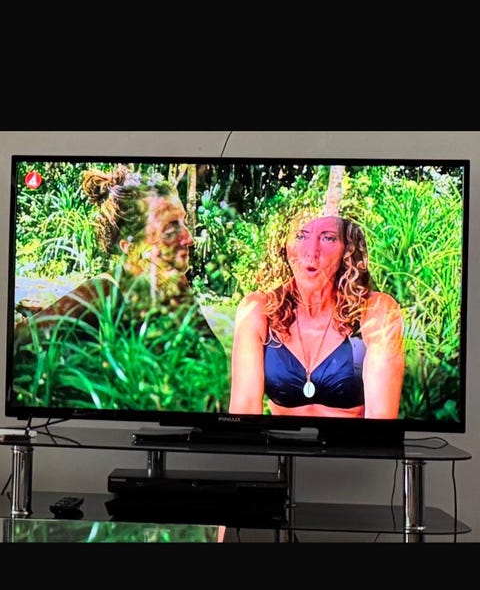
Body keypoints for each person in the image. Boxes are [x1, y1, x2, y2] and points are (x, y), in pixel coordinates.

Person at [15, 165, 229, 411]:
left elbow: (215, 373)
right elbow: (18, 344)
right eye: (171, 228)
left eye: (184, 222)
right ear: (130, 246)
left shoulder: (173, 289)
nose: (189, 238)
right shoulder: (103, 291)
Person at [229, 211, 405, 419]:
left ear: (346, 248)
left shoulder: (376, 311)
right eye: (300, 236)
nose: (311, 252)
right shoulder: (258, 310)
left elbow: (380, 420)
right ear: (284, 245)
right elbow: (244, 414)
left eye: (328, 238)